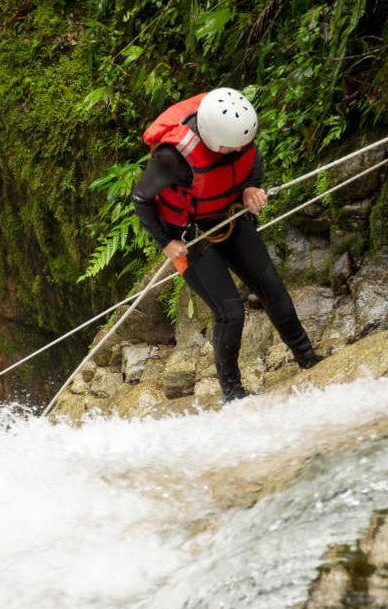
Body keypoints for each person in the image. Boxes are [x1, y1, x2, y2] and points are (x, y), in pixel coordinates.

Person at [132, 87, 324, 402]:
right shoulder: (173, 157)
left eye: (240, 146)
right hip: (190, 237)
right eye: (229, 147)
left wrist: (251, 189)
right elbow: (141, 199)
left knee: (271, 286)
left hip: (228, 218)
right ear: (211, 137)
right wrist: (165, 242)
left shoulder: (239, 138)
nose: (236, 151)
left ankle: (307, 357)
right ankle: (232, 392)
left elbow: (253, 161)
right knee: (231, 312)